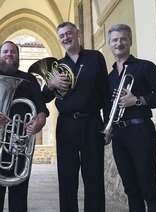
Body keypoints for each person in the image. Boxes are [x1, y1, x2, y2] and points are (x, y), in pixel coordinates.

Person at [42, 22, 109, 212]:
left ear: (77, 34)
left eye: (68, 33)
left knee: (94, 176)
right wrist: (51, 84)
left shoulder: (96, 57)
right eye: (61, 36)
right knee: (66, 176)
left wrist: (108, 125)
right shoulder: (57, 66)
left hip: (92, 122)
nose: (65, 38)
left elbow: (105, 92)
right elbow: (44, 97)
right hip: (66, 124)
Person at [0, 41, 49, 212]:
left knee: (19, 194)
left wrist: (40, 122)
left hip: (20, 141)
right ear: (0, 55)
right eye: (5, 51)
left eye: (13, 52)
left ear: (18, 56)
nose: (9, 54)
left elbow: (41, 106)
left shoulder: (29, 79)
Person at [107, 24, 156, 212]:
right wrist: (107, 128)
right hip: (118, 135)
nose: (119, 43)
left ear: (130, 42)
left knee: (148, 188)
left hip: (141, 132)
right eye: (115, 40)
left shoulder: (145, 66)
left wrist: (137, 100)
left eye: (123, 39)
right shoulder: (110, 77)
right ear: (110, 44)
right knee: (131, 189)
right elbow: (107, 106)